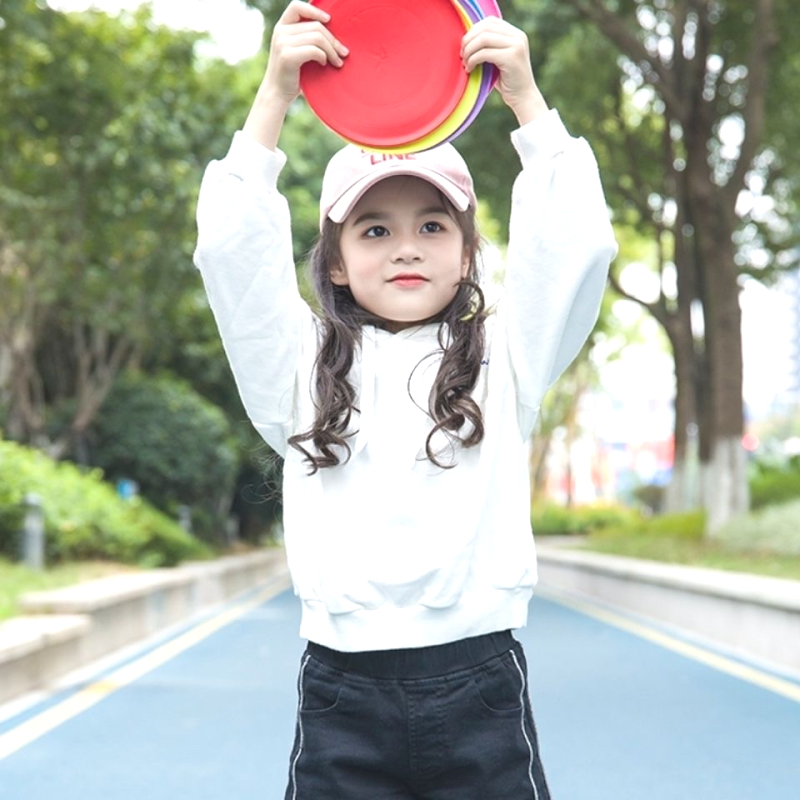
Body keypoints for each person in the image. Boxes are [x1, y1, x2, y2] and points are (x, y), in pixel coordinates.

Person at [194, 2, 617, 797]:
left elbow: (579, 244)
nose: (407, 248)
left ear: (466, 254)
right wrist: (275, 95)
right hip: (341, 695)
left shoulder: (504, 360)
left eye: (432, 226)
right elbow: (228, 250)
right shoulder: (298, 366)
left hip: (480, 687)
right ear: (337, 261)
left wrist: (527, 102)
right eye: (375, 230)